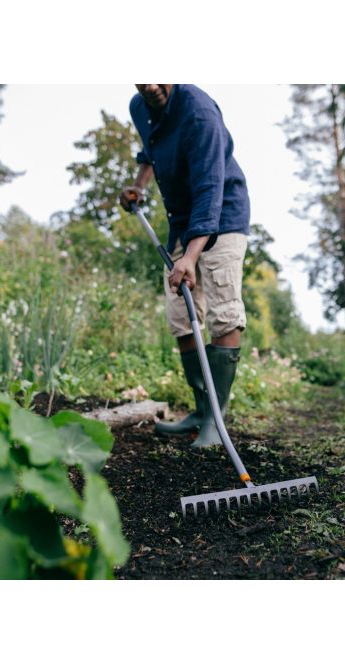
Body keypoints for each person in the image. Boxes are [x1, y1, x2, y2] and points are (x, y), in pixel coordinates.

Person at [120, 84, 250, 448]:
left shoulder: (198, 112)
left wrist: (191, 257)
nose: (152, 86)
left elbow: (210, 189)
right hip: (181, 220)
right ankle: (201, 409)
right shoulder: (139, 106)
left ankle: (216, 419)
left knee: (223, 312)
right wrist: (138, 186)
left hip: (222, 214)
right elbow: (150, 151)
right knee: (182, 314)